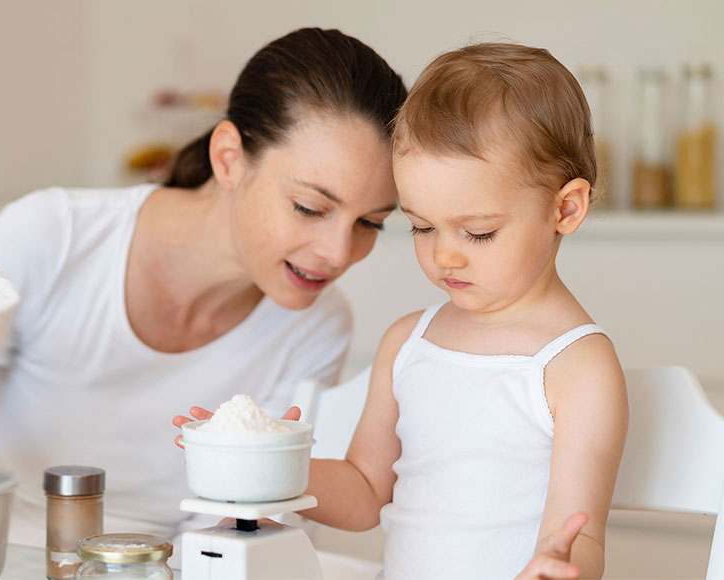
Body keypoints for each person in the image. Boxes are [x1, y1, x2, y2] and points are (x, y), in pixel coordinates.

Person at [181, 43, 628, 578]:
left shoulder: (577, 366)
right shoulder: (408, 343)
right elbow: (366, 491)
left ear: (566, 208)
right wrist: (262, 458)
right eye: (421, 227)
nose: (444, 255)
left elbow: (580, 536)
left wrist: (561, 564)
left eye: (478, 232)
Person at [0, 27, 406, 545]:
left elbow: (229, 528)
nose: (339, 253)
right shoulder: (53, 237)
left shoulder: (316, 324)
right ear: (229, 158)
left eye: (371, 222)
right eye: (310, 208)